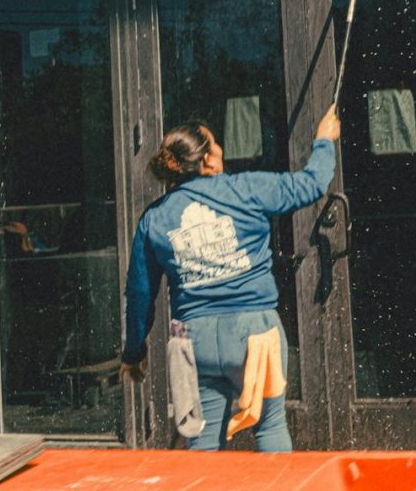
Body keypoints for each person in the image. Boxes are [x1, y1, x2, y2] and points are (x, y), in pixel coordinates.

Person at [119, 104, 341, 451]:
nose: (221, 148)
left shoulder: (154, 218)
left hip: (195, 340)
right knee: (270, 426)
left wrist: (133, 353)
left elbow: (139, 293)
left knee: (202, 438)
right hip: (255, 334)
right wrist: (325, 140)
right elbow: (312, 184)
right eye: (216, 143)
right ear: (208, 161)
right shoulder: (248, 189)